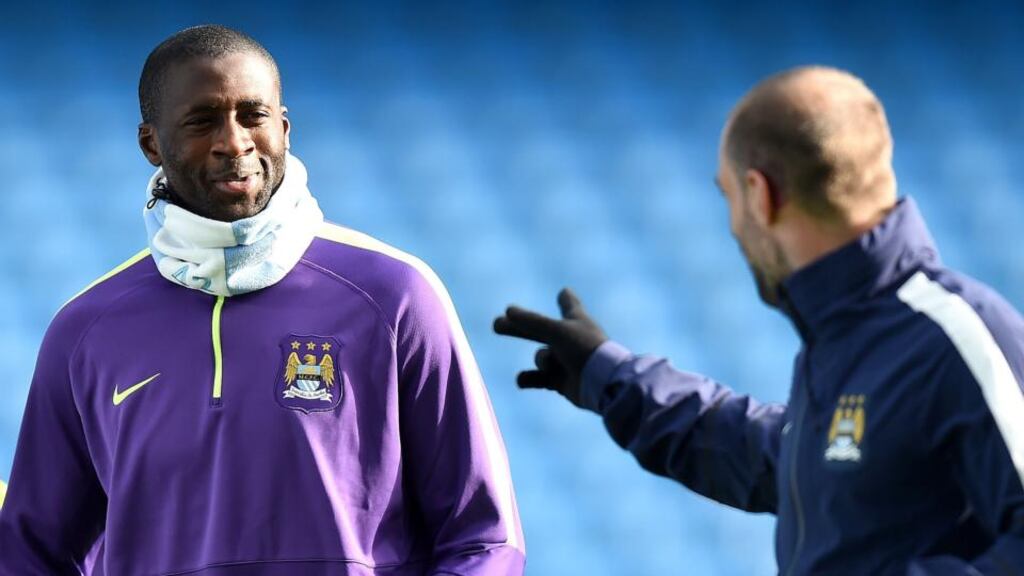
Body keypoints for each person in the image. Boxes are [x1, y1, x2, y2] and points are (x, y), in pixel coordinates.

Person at [0, 25, 524, 575]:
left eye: (253, 115)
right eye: (203, 121)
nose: (235, 142)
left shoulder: (395, 295)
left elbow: (483, 539)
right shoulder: (86, 330)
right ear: (151, 143)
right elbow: (33, 552)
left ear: (285, 127)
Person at [495, 66, 1024, 574]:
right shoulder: (850, 336)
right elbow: (782, 462)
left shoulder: (959, 336)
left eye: (727, 195)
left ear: (759, 194)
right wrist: (609, 377)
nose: (732, 225)